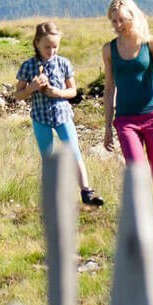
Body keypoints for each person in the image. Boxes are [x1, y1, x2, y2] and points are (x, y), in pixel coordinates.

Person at [100, 0, 153, 216]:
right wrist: (107, 127)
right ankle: (142, 218)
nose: (117, 26)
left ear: (133, 16)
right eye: (113, 21)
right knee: (136, 170)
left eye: (121, 20)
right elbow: (109, 89)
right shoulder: (109, 50)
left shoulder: (151, 43)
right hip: (125, 120)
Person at [13, 22, 105, 207]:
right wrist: (32, 88)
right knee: (48, 156)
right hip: (40, 118)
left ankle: (86, 191)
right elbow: (18, 94)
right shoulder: (28, 66)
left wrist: (57, 93)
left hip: (63, 115)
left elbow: (73, 91)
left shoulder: (63, 63)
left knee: (74, 151)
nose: (52, 51)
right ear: (37, 43)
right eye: (47, 47)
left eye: (55, 46)